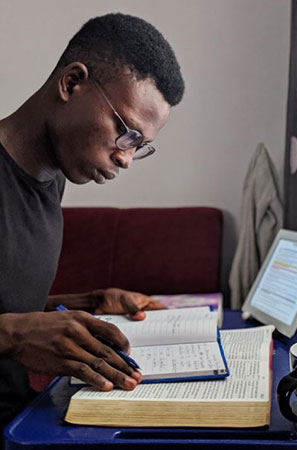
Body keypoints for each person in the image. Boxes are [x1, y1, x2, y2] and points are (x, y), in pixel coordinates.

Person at [0, 12, 185, 435]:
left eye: (140, 147)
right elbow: (12, 328)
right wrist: (12, 336)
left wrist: (86, 304)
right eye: (127, 134)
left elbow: (10, 307)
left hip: (24, 423)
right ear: (71, 83)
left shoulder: (51, 180)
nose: (125, 158)